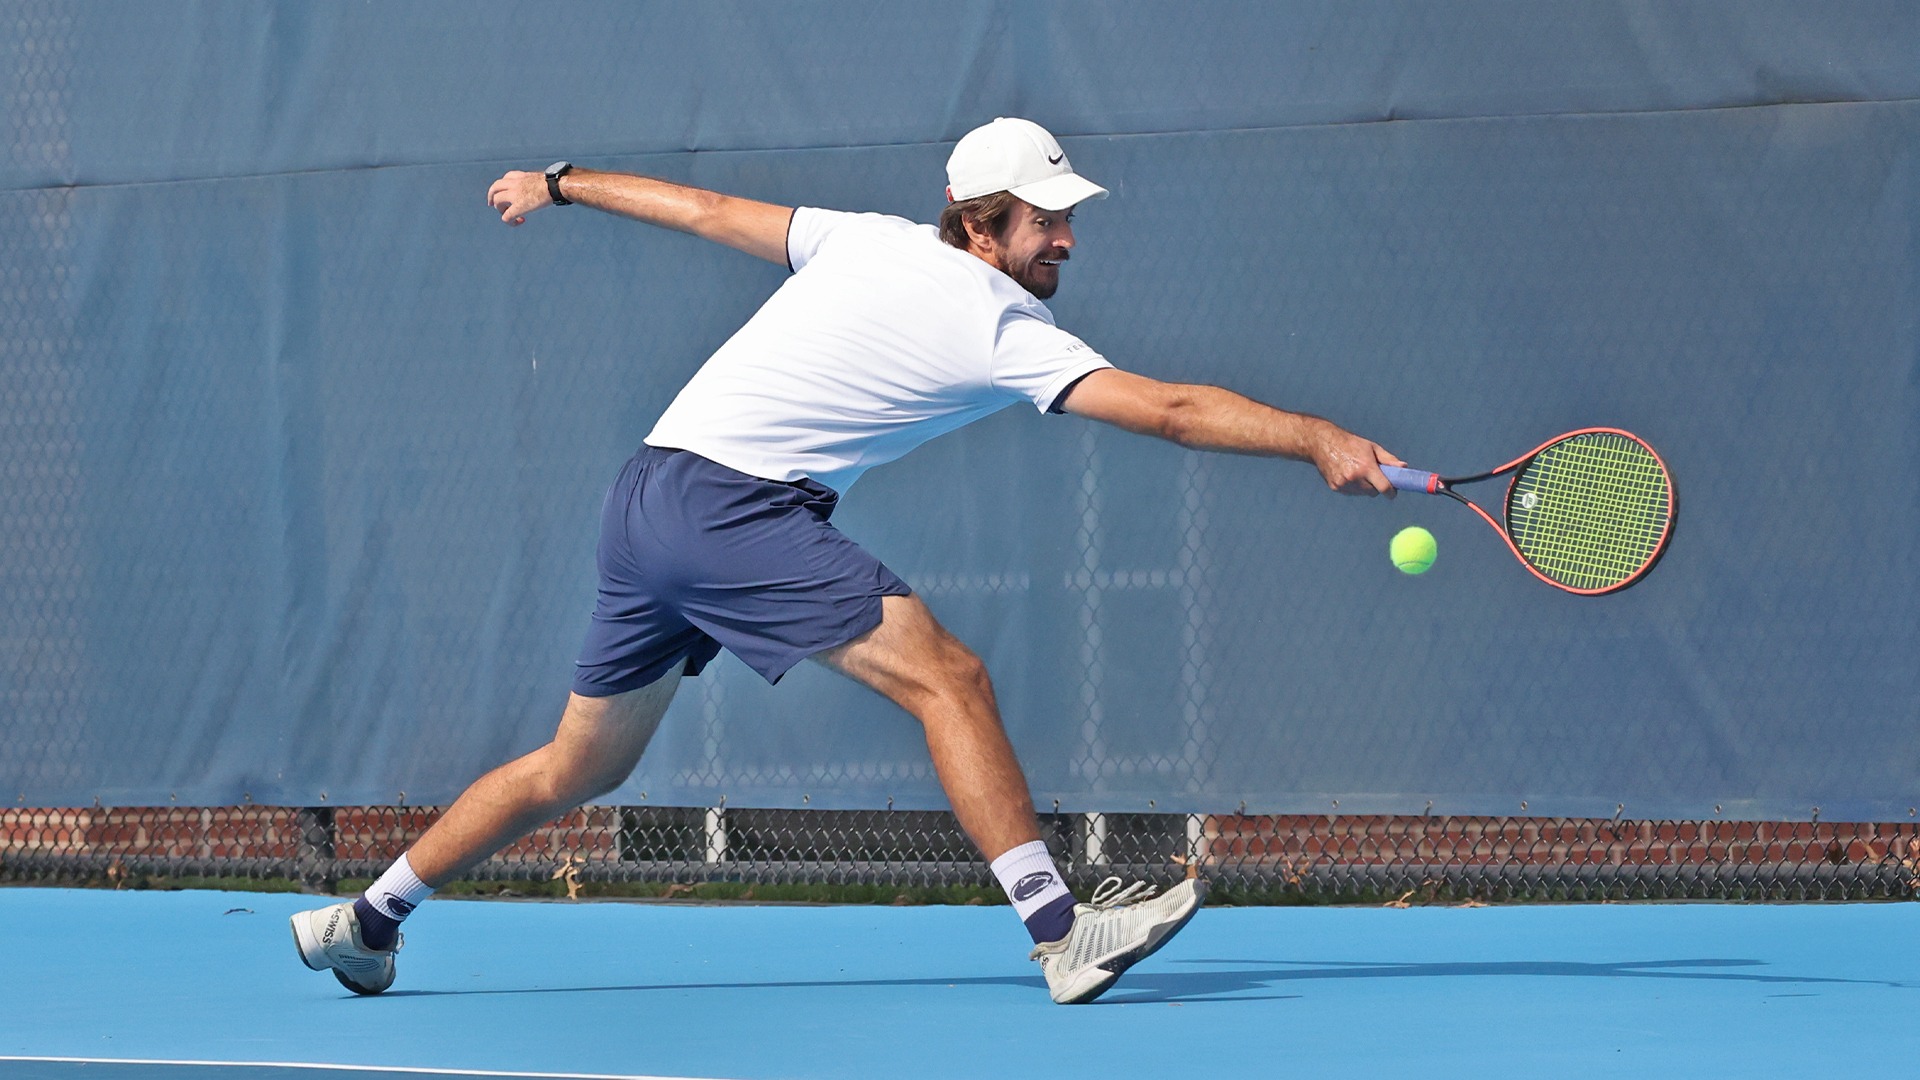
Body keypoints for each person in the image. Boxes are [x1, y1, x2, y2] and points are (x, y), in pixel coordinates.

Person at [291, 117, 1402, 1005]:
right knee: (949, 677)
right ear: (981, 224)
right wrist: (1314, 436)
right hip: (730, 506)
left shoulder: (863, 234)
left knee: (579, 768)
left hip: (648, 497)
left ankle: (368, 920)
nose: (1064, 239)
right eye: (1044, 221)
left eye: (1067, 218)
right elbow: (1166, 408)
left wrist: (564, 180)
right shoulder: (994, 317)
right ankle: (1062, 933)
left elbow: (706, 209)